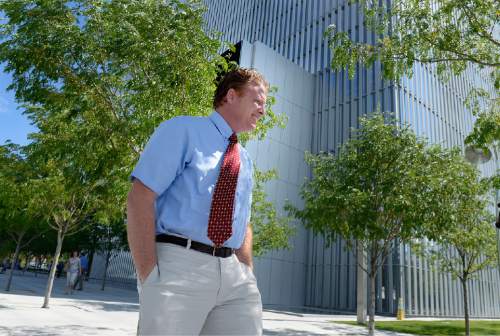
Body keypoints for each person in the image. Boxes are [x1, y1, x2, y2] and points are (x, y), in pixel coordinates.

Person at [127, 68, 268, 335]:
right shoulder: (182, 129)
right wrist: (149, 276)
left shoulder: (245, 160)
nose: (263, 110)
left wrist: (247, 272)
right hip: (179, 265)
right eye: (258, 101)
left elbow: (243, 221)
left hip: (234, 276)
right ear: (231, 96)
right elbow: (140, 196)